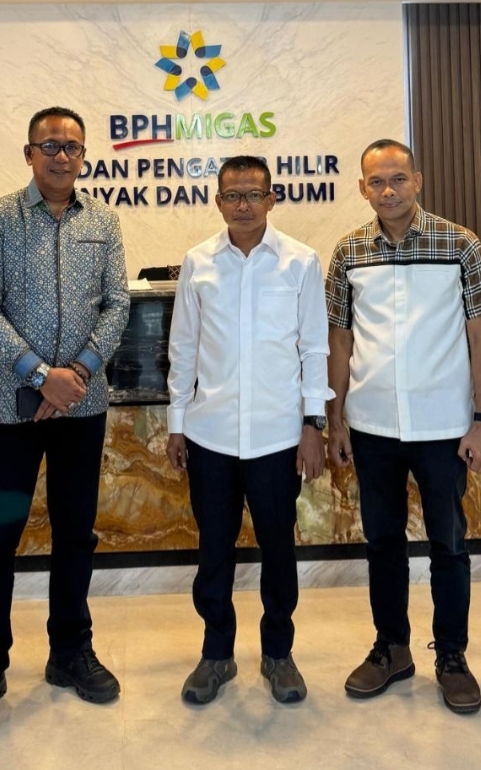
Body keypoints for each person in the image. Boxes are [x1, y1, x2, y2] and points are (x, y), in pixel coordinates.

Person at [0, 106, 130, 728]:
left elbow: (118, 302)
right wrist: (40, 376)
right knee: (0, 534)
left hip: (82, 408)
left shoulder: (103, 221)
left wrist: (75, 375)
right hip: (10, 412)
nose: (61, 156)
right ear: (29, 153)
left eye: (72, 147)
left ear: (84, 156)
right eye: (50, 145)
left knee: (75, 531)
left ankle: (70, 651)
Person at [326, 140, 481, 714]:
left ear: (418, 181)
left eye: (398, 179)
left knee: (448, 544)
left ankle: (451, 656)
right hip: (371, 423)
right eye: (376, 182)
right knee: (382, 544)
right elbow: (340, 340)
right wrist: (335, 419)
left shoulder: (460, 244)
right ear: (362, 188)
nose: (388, 191)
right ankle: (391, 648)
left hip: (444, 424)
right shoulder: (349, 252)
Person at [166, 155, 332, 704]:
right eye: (232, 195)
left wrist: (313, 423)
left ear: (271, 199)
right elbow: (183, 348)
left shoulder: (301, 262)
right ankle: (216, 654)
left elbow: (314, 348)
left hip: (277, 437)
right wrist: (176, 424)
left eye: (253, 194)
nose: (243, 205)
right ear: (217, 201)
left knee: (278, 550)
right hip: (209, 435)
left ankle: (278, 654)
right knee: (214, 550)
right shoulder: (198, 262)